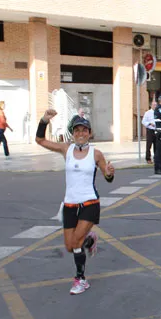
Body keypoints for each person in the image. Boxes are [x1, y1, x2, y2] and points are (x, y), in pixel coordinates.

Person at [35, 109, 116, 295]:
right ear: (73, 133)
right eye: (77, 130)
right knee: (70, 246)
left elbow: (108, 176)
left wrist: (110, 172)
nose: (81, 133)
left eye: (84, 130)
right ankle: (90, 239)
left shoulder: (96, 154)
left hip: (89, 203)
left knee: (76, 242)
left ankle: (80, 279)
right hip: (69, 204)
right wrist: (44, 121)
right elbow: (40, 141)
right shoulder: (66, 149)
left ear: (90, 133)